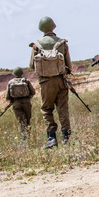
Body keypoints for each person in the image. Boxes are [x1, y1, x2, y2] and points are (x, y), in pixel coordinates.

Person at [29, 16, 71, 149]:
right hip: (61, 81)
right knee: (62, 109)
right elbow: (68, 64)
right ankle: (66, 137)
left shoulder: (37, 45)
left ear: (41, 28)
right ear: (53, 26)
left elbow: (31, 65)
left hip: (46, 83)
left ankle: (51, 138)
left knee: (47, 109)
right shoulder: (62, 43)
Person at [5, 67, 35, 139]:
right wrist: (28, 97)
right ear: (21, 73)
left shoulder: (10, 82)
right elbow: (33, 92)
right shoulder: (26, 80)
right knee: (27, 120)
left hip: (16, 104)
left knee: (21, 122)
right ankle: (28, 135)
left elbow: (7, 96)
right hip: (27, 103)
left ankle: (23, 137)